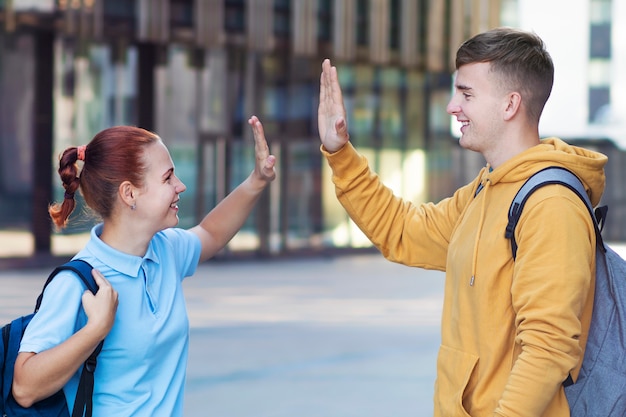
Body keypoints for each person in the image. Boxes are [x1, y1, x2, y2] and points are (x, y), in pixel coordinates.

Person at [318, 27, 607, 416]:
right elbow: (404, 231)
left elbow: (549, 346)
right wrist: (340, 154)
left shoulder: (550, 204)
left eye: (467, 94)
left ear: (510, 105)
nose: (453, 107)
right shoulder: (486, 189)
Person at [12, 116, 276, 416]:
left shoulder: (164, 251)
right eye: (168, 178)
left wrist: (257, 180)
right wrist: (95, 329)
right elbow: (24, 387)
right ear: (130, 193)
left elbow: (211, 233)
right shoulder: (78, 283)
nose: (181, 186)